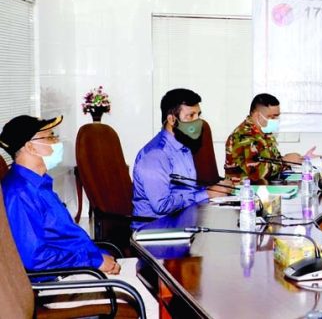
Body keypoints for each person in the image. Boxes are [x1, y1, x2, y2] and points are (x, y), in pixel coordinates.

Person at [0, 115, 120, 277]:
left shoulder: (38, 184)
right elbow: (34, 258)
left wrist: (98, 255)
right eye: (50, 137)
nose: (56, 142)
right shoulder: (19, 193)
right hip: (58, 279)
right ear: (31, 147)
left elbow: (63, 238)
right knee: (146, 295)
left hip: (79, 267)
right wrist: (93, 261)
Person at [133, 88, 229, 219]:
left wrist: (216, 189)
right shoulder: (156, 155)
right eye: (190, 116)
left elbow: (187, 191)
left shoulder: (184, 147)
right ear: (172, 120)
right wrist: (206, 194)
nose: (198, 122)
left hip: (182, 219)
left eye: (198, 115)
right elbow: (162, 206)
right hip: (156, 229)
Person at [225, 93, 316, 184]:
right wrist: (285, 161)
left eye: (277, 116)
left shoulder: (265, 133)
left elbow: (273, 161)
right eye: (272, 117)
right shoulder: (243, 137)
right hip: (244, 191)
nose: (275, 120)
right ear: (257, 116)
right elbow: (257, 173)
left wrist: (300, 159)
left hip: (266, 186)